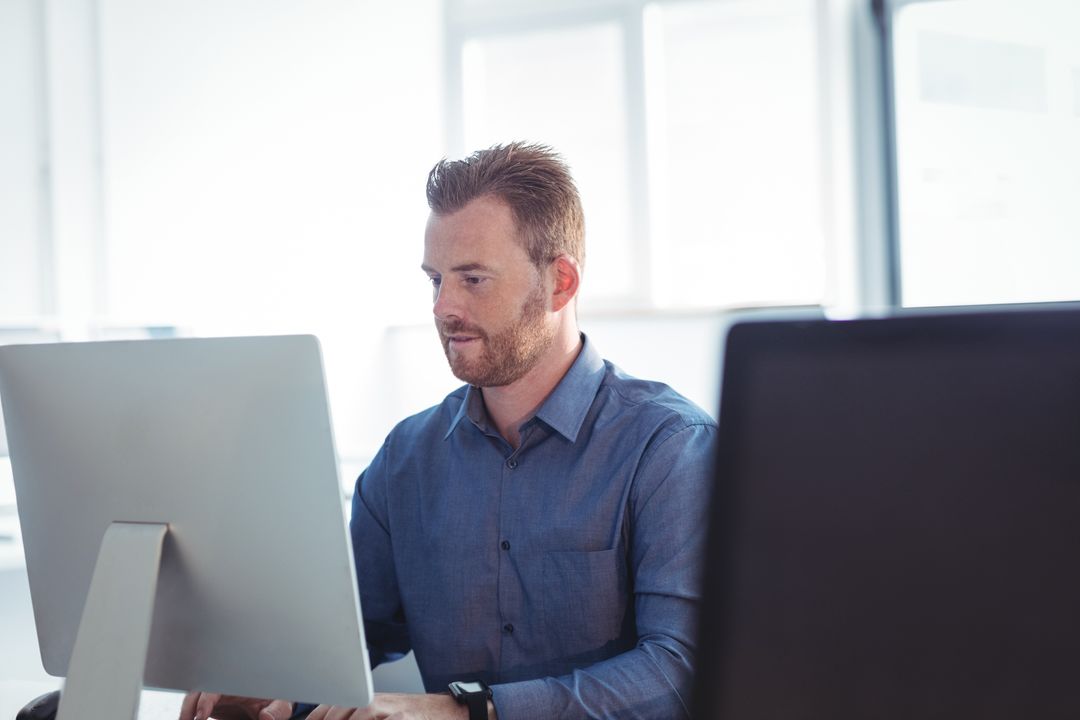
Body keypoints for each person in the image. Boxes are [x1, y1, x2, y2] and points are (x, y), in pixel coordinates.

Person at [182, 143, 716, 720]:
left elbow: (681, 671)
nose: (442, 307)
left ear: (560, 283)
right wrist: (274, 684)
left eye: (473, 279)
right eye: (435, 279)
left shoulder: (669, 448)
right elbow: (347, 640)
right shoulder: (405, 459)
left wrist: (469, 712)